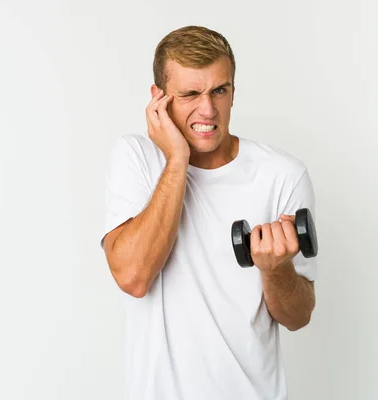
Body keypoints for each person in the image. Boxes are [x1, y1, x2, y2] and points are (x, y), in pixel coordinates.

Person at [100, 25, 317, 400]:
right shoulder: (135, 158)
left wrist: (276, 269)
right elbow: (133, 276)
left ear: (233, 91)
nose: (208, 109)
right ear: (159, 99)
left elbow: (298, 317)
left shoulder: (282, 175)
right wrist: (178, 159)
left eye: (220, 90)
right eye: (189, 94)